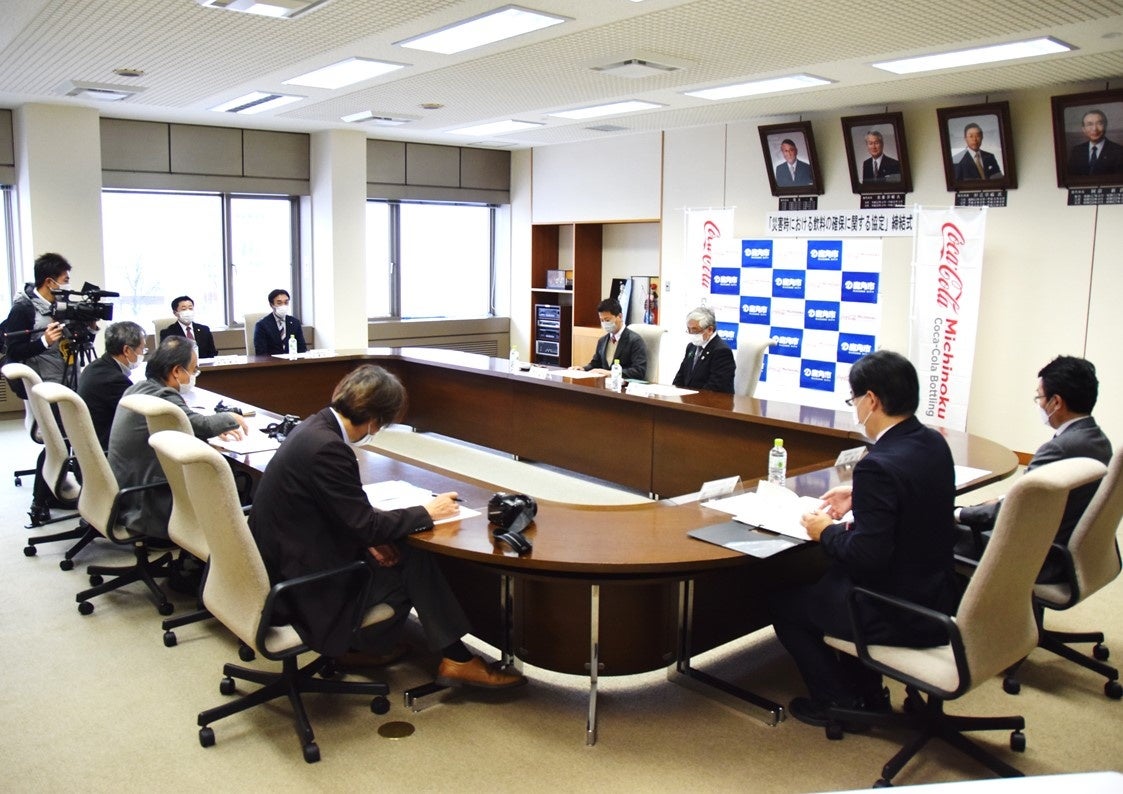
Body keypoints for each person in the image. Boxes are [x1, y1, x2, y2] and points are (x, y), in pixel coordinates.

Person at [249, 364, 526, 689]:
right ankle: (456, 659)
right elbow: (365, 525)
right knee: (413, 556)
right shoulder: (329, 449)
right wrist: (428, 512)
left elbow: (337, 514)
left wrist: (367, 537)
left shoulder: (312, 428)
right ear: (375, 420)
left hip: (279, 566)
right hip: (302, 589)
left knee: (390, 545)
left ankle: (367, 648)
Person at [768, 350, 959, 727]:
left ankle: (838, 702)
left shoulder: (878, 465)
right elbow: (914, 497)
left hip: (894, 608)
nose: (854, 408)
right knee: (825, 583)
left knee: (785, 604)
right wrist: (859, 496)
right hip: (937, 595)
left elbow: (866, 556)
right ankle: (869, 691)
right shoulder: (932, 442)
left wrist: (825, 530)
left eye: (853, 400)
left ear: (871, 400)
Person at [955, 356, 1111, 582]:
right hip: (1069, 552)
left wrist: (959, 513)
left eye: (1039, 397)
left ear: (1056, 402)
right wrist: (1003, 498)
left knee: (936, 530)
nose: (1038, 404)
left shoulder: (1058, 449)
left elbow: (1013, 512)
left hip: (1037, 557)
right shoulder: (1099, 441)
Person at [108, 336, 247, 540]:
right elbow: (201, 424)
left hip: (128, 494)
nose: (195, 375)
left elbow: (185, 424)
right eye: (193, 370)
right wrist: (232, 418)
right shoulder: (164, 396)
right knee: (229, 474)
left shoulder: (136, 388)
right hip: (151, 504)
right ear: (176, 371)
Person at [3, 252, 72, 388]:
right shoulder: (22, 309)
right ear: (49, 282)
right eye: (65, 280)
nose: (68, 285)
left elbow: (75, 341)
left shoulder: (64, 305)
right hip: (40, 385)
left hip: (68, 378)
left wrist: (90, 329)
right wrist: (44, 342)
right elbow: (14, 351)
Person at [77, 320, 146, 450]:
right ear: (127, 350)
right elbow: (139, 418)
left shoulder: (95, 367)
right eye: (142, 349)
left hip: (91, 443)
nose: (143, 353)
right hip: (108, 448)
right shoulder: (114, 380)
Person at [571, 298, 647, 379]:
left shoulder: (635, 340)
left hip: (623, 384)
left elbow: (639, 371)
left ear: (620, 316)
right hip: (604, 384)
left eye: (607, 320)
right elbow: (595, 364)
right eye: (602, 320)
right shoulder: (602, 340)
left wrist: (612, 373)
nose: (604, 323)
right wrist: (583, 369)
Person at [671, 307, 735, 393]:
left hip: (711, 400)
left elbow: (715, 387)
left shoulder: (722, 351)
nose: (691, 334)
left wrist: (690, 398)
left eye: (695, 330)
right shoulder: (691, 347)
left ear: (710, 330)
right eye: (689, 330)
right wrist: (673, 392)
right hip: (689, 398)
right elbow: (680, 376)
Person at [1067, 109, 1123, 176]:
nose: (1094, 129)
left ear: (1105, 126)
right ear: (1083, 129)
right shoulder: (1076, 151)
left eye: (1099, 124)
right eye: (1089, 124)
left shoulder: (1119, 151)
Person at [253, 288, 307, 356]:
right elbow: (261, 352)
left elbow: (302, 348)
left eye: (286, 302)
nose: (283, 306)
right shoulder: (262, 325)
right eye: (279, 303)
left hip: (292, 360)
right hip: (271, 361)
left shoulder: (295, 322)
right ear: (271, 305)